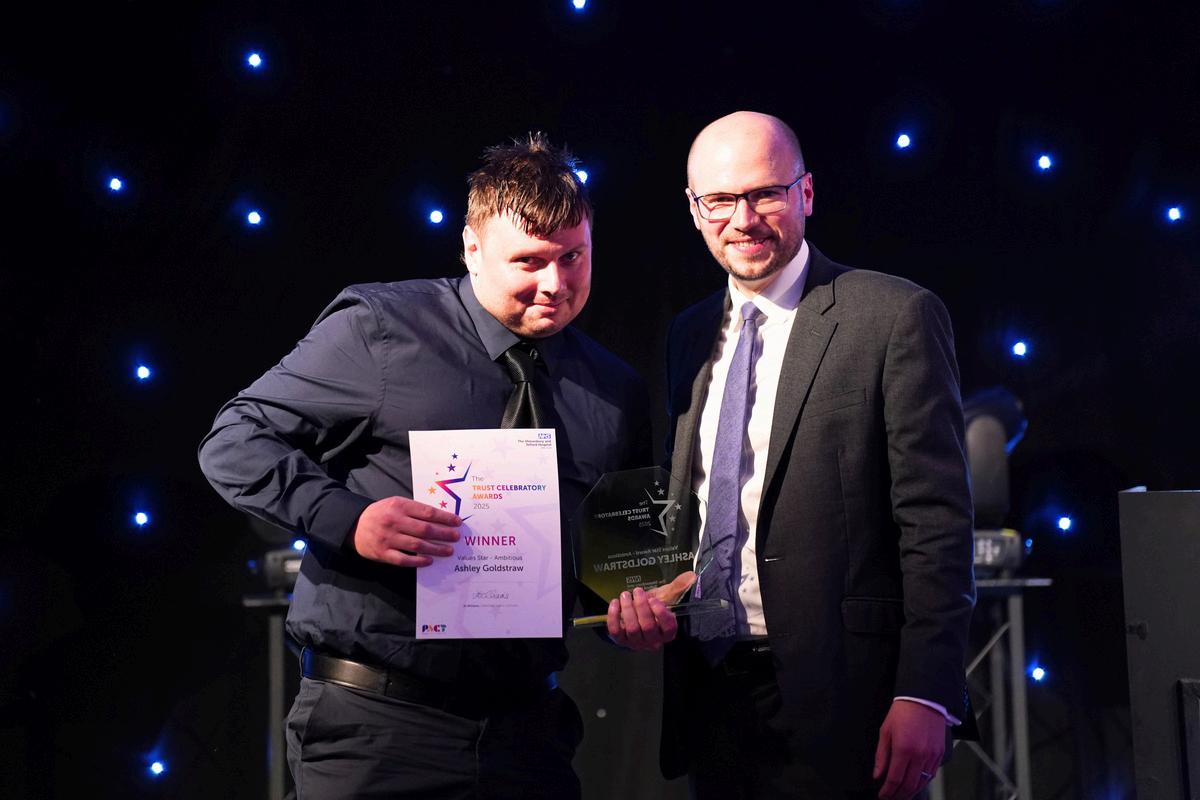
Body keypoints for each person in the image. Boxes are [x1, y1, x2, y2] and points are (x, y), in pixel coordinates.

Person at [198, 133, 660, 800]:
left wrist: (633, 611)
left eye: (573, 257)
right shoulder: (383, 329)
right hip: (378, 728)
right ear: (471, 248)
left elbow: (616, 575)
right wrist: (351, 521)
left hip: (529, 738)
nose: (555, 284)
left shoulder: (616, 389)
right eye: (529, 261)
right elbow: (235, 441)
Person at [658, 111, 976, 800]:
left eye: (765, 194)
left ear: (806, 192)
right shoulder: (688, 334)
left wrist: (926, 690)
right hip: (710, 693)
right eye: (721, 200)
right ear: (694, 208)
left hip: (848, 700)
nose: (743, 219)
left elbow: (936, 522)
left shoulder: (893, 315)